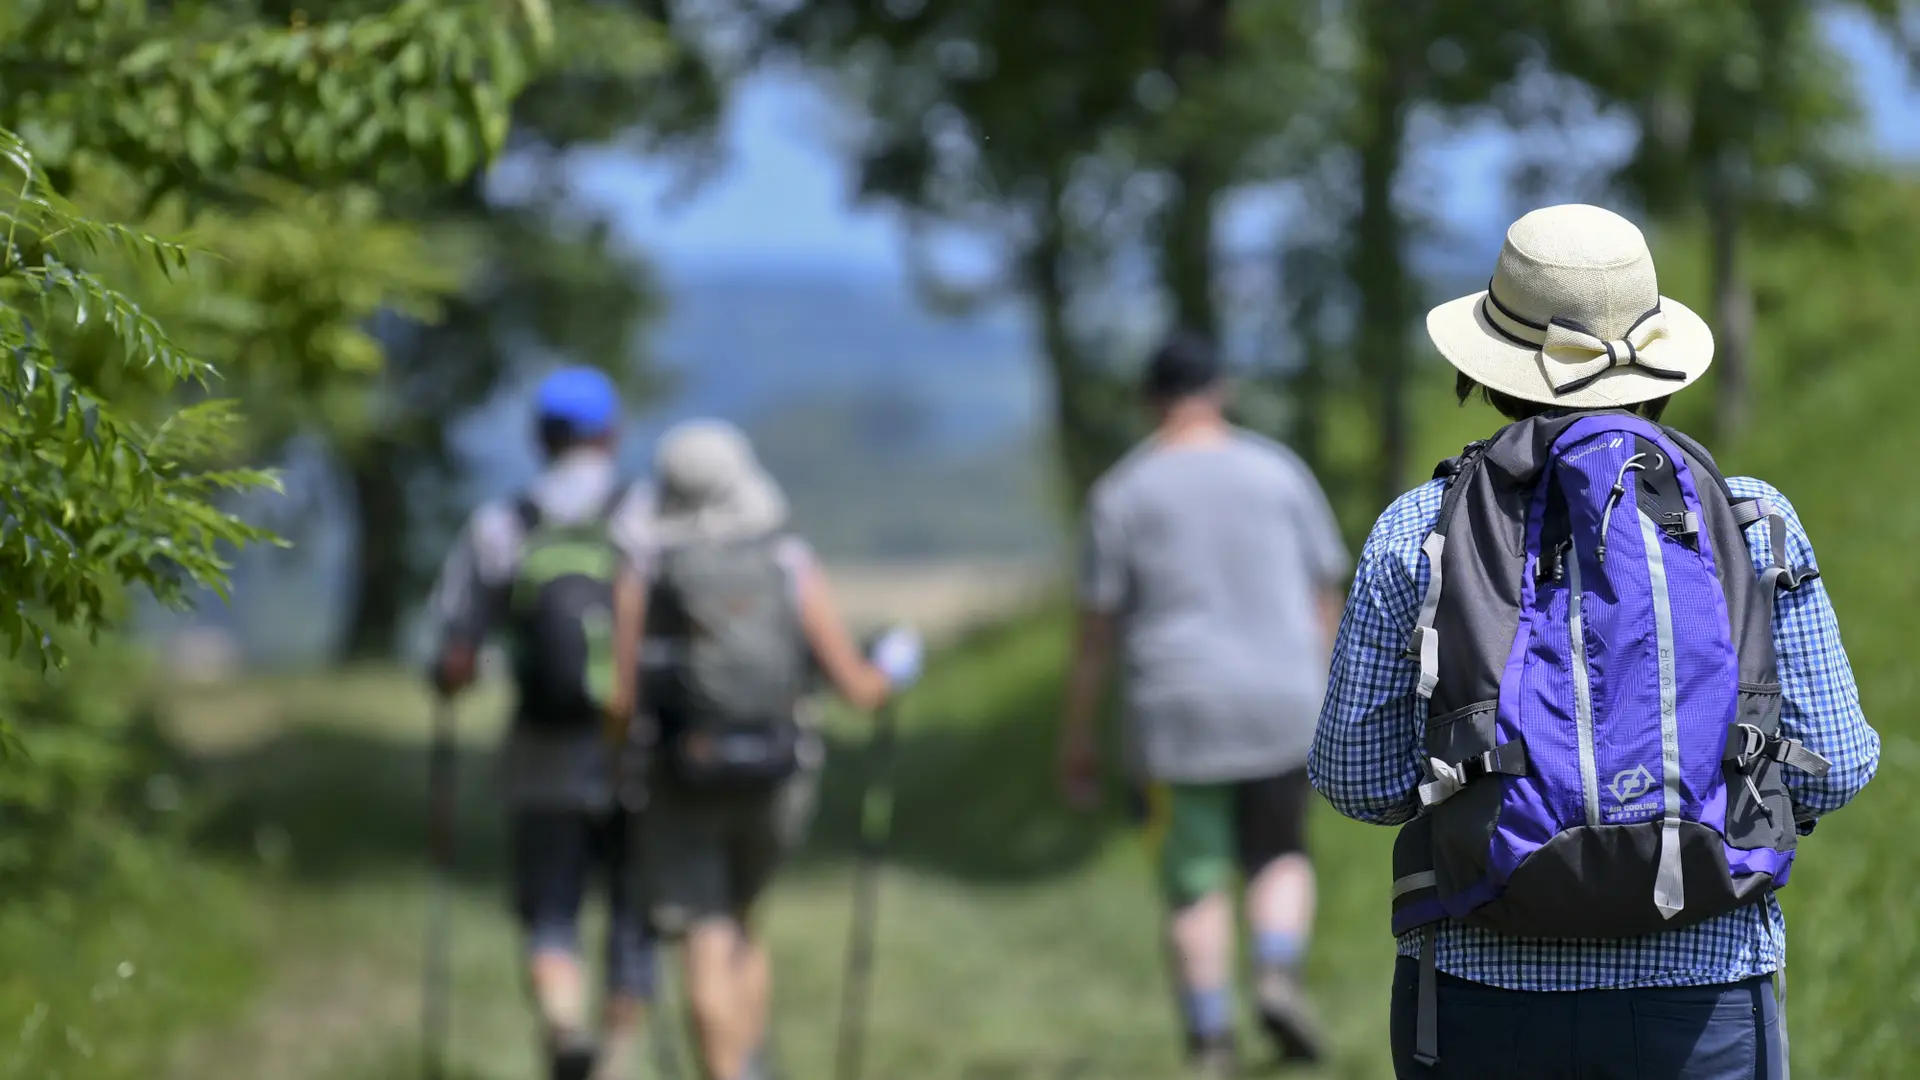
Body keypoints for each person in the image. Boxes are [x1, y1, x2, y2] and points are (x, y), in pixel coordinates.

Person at [1311, 203, 1881, 1079]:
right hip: (1707, 984)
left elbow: (1356, 779)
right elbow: (1835, 765)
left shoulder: (1420, 528)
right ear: (1659, 365)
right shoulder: (1754, 520)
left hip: (1478, 990)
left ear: (1491, 372)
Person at [1058, 332, 1350, 1075]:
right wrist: (1336, 690)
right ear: (1220, 390)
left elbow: (1096, 633)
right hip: (1283, 699)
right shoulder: (1278, 471)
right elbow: (1325, 596)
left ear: (1151, 401)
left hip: (1176, 712)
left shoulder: (1122, 491)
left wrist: (1080, 737)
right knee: (1280, 853)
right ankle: (1277, 973)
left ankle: (1210, 1037)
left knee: (1192, 880)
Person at [607, 418, 923, 1080]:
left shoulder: (649, 567)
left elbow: (622, 693)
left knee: (704, 932)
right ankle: (752, 1066)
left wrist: (618, 762)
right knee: (748, 922)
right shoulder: (787, 561)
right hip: (778, 773)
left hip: (681, 772)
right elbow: (858, 688)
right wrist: (893, 670)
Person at [427, 365, 658, 1080]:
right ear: (611, 434)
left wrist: (449, 682)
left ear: (538, 439)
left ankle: (564, 1032)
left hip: (542, 749)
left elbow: (456, 656)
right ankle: (615, 1061)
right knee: (631, 915)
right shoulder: (643, 517)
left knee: (550, 910)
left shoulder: (502, 526)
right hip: (637, 751)